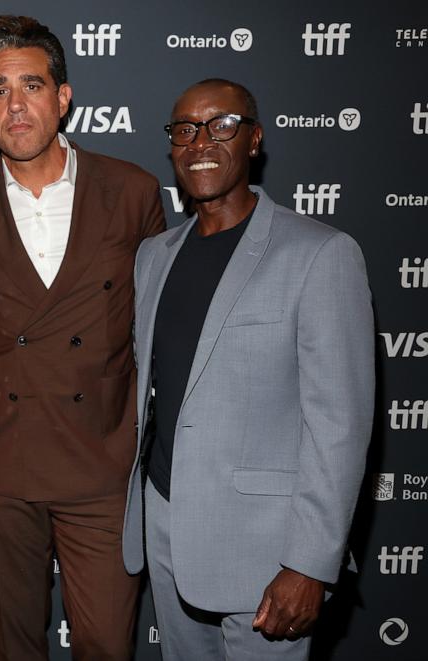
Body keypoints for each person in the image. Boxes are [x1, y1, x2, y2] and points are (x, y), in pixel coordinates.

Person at [122, 78, 375, 660]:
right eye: (184, 129)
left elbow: (339, 426)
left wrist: (309, 563)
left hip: (266, 547)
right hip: (164, 526)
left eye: (222, 125)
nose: (201, 141)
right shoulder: (153, 257)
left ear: (254, 139)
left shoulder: (320, 253)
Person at [0, 15, 166, 661]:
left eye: (31, 85)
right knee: (15, 646)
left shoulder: (133, 193)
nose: (16, 105)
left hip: (101, 463)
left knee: (104, 644)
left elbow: (154, 332)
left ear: (63, 97)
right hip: (5, 468)